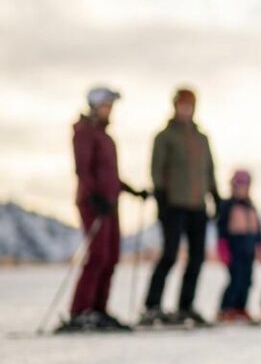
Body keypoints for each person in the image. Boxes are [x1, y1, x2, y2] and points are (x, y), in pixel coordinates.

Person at [60, 86, 150, 333]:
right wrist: (93, 195)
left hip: (110, 203)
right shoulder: (84, 133)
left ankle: (98, 308)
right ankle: (81, 311)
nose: (109, 111)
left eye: (111, 107)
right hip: (93, 203)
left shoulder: (106, 136)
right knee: (98, 255)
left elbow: (110, 175)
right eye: (106, 106)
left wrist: (130, 190)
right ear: (94, 106)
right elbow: (83, 169)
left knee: (111, 256)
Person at [142, 87, 218, 326]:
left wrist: (214, 195)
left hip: (197, 205)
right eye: (182, 104)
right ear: (175, 106)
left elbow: (209, 169)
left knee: (197, 258)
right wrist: (161, 197)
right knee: (170, 254)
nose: (186, 109)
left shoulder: (201, 139)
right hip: (173, 204)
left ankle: (185, 306)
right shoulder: (164, 137)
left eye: (190, 105)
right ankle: (152, 306)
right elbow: (156, 168)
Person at [216, 170, 261, 322]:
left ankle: (240, 307)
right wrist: (223, 247)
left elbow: (257, 229)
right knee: (235, 280)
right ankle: (226, 309)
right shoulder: (227, 205)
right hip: (234, 250)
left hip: (249, 249)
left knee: (248, 280)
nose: (241, 189)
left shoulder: (251, 206)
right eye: (238, 186)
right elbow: (221, 229)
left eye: (244, 186)